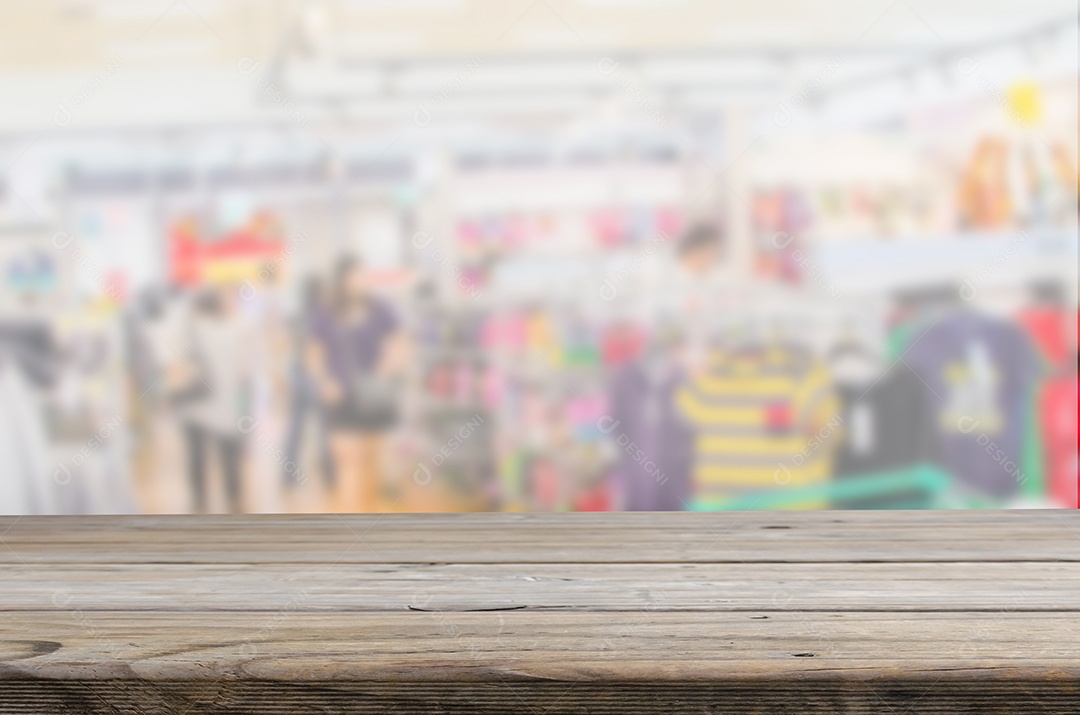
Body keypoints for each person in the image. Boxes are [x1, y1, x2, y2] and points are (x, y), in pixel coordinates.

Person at [306, 256, 406, 512]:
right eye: (356, 276)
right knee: (349, 462)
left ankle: (368, 521)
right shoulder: (325, 312)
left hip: (372, 396)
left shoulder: (380, 309)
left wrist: (386, 370)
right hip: (339, 396)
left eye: (364, 275)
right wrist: (324, 382)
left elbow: (400, 344)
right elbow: (313, 354)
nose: (362, 281)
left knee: (371, 461)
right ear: (342, 280)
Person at [170, 285, 253, 513]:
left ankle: (199, 500)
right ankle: (234, 499)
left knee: (196, 456)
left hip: (193, 403)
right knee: (228, 454)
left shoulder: (191, 329)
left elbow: (175, 367)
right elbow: (244, 372)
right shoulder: (236, 330)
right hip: (223, 406)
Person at [282, 277, 334, 490]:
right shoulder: (322, 318)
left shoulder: (295, 317)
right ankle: (330, 474)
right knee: (325, 427)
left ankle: (288, 476)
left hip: (296, 374)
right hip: (315, 376)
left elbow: (287, 345)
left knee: (295, 427)